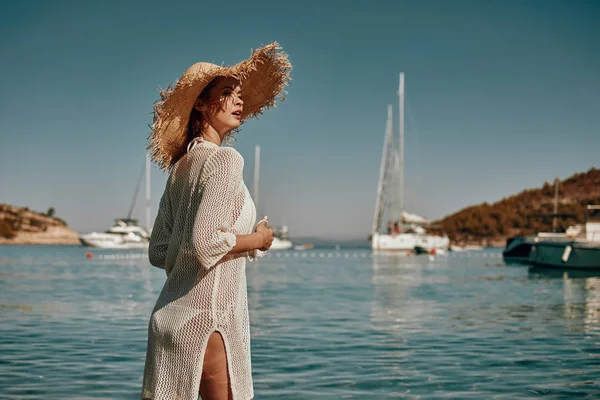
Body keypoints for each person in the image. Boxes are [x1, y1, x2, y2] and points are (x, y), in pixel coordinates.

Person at [141, 43, 292, 400]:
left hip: (170, 320)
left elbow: (158, 251)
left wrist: (197, 247)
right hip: (210, 325)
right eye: (227, 94)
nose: (238, 101)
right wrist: (258, 240)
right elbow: (205, 243)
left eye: (239, 94)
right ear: (202, 104)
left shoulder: (179, 168)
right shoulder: (225, 161)